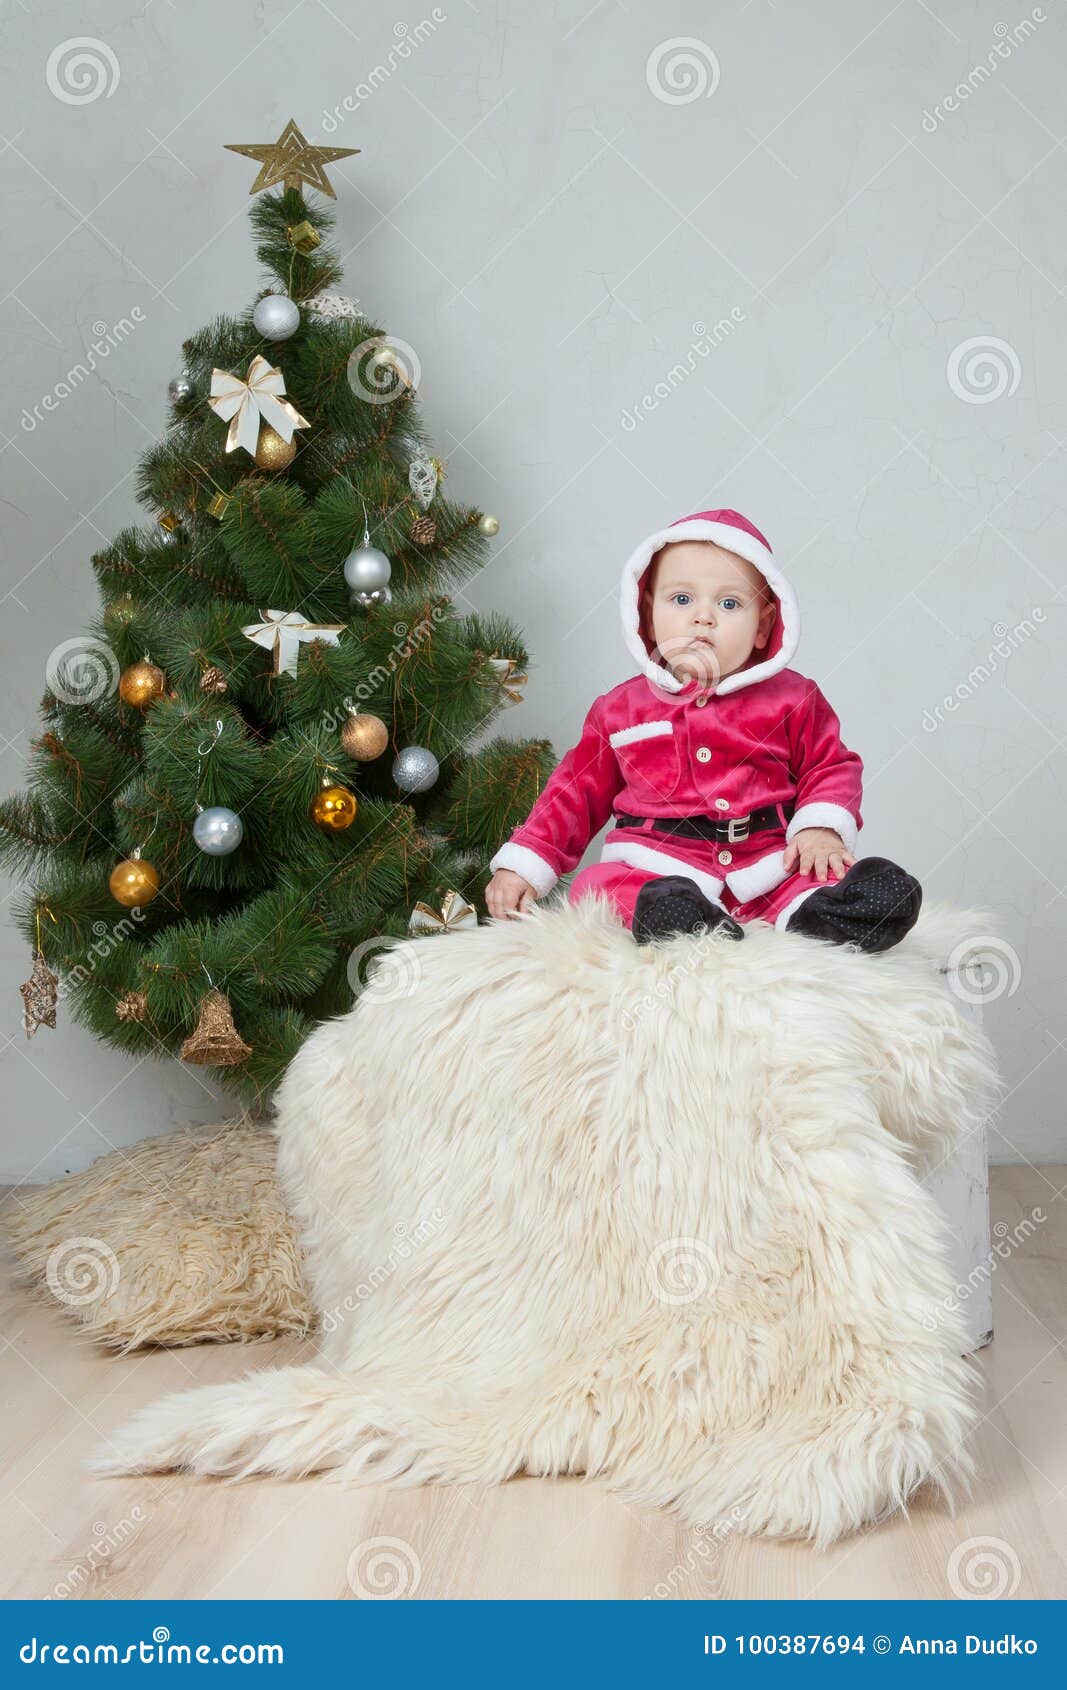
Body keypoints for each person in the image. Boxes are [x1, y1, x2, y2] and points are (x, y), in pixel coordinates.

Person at [485, 507, 921, 951]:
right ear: (647, 612)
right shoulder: (619, 709)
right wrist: (524, 864)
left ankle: (824, 914)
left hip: (766, 860)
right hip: (656, 862)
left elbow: (831, 765)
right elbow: (573, 793)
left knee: (818, 876)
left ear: (763, 626)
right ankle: (676, 917)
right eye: (681, 599)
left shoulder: (794, 698)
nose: (703, 617)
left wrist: (821, 827)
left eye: (729, 603)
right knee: (596, 886)